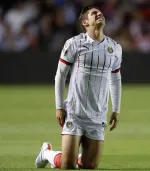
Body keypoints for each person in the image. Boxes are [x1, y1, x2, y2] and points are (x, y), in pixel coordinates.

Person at [35, 5, 122, 170]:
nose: (99, 14)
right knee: (68, 165)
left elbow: (115, 79)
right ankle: (47, 153)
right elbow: (60, 75)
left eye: (100, 13)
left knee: (90, 165)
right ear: (85, 23)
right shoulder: (74, 43)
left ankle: (77, 154)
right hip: (75, 112)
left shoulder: (115, 48)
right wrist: (59, 106)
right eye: (93, 14)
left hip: (98, 114)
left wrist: (116, 109)